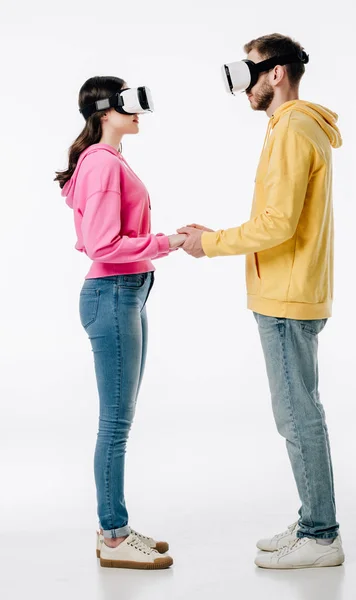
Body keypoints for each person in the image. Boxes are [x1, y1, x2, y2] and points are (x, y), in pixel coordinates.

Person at [178, 33, 345, 569]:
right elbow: (277, 219)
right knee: (298, 411)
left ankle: (321, 535)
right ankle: (312, 518)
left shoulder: (293, 128)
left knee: (297, 416)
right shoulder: (291, 127)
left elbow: (278, 225)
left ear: (276, 73)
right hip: (288, 290)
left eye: (247, 69)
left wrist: (211, 244)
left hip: (285, 296)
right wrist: (216, 234)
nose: (242, 83)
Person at [55, 76, 186, 570]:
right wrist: (166, 242)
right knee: (114, 424)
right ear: (106, 112)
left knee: (120, 420)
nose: (139, 112)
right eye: (129, 103)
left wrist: (158, 244)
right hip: (113, 293)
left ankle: (117, 526)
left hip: (125, 294)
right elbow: (103, 245)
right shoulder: (103, 166)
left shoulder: (104, 161)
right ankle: (112, 537)